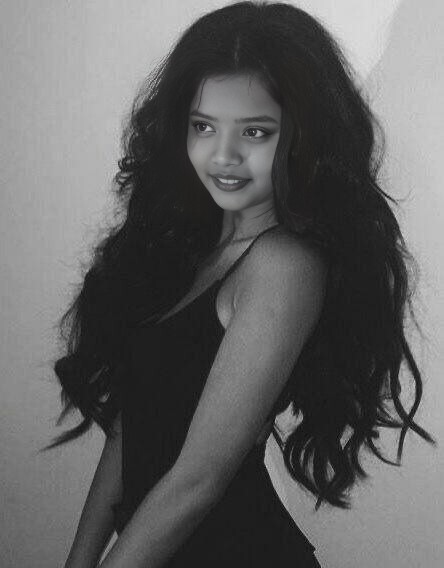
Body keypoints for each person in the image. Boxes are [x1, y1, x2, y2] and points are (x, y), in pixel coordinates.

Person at [42, 2, 436, 567]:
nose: (223, 156)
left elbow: (198, 480)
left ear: (298, 135)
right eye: (204, 126)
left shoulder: (282, 265)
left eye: (254, 130)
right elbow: (132, 426)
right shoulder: (188, 247)